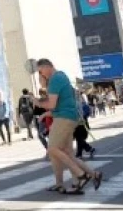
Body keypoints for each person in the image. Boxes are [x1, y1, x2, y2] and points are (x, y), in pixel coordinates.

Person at [33, 58, 102, 195]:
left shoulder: (55, 79)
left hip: (63, 118)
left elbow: (52, 105)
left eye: (40, 71)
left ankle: (81, 176)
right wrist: (46, 112)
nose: (41, 74)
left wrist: (37, 102)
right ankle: (92, 175)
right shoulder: (60, 77)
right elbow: (58, 105)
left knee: (53, 150)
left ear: (46, 67)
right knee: (67, 154)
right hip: (68, 117)